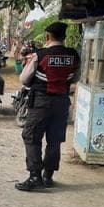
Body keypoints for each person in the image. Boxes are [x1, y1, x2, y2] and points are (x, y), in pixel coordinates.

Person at [15, 22, 80, 191]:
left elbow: (24, 79)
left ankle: (35, 177)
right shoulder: (73, 55)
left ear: (47, 37)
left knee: (31, 136)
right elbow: (74, 77)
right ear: (64, 37)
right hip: (62, 103)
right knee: (55, 139)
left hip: (41, 102)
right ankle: (48, 176)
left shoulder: (40, 55)